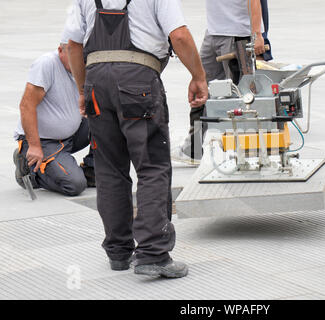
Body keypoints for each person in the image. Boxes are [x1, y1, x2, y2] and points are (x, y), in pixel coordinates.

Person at [64, 0, 208, 278]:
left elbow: (72, 45)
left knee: (108, 169)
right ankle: (153, 253)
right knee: (152, 167)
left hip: (96, 81)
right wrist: (199, 76)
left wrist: (83, 90)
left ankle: (118, 253)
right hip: (137, 80)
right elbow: (178, 35)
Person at [171, 0, 266, 165]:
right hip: (214, 32)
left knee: (240, 96)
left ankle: (246, 154)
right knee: (201, 86)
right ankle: (193, 149)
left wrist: (257, 34)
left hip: (238, 34)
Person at [13, 42, 95, 197]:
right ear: (60, 51)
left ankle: (92, 171)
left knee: (108, 121)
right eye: (74, 56)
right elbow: (26, 106)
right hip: (43, 141)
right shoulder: (47, 64)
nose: (80, 62)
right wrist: (34, 146)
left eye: (82, 57)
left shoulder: (85, 67)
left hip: (72, 135)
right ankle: (28, 168)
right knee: (75, 184)